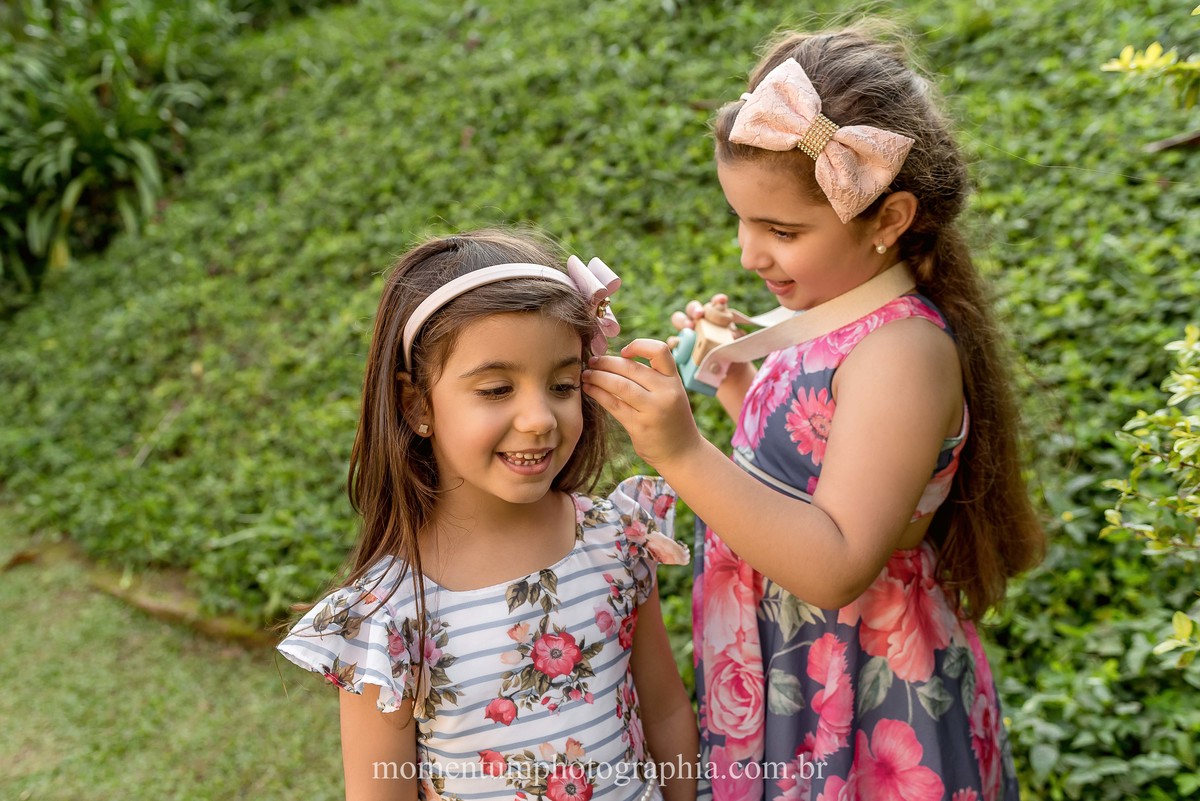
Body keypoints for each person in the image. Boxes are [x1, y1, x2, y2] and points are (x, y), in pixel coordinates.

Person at [582, 21, 1044, 801]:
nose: (749, 253)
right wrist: (739, 382)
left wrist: (683, 452)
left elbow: (834, 565)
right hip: (794, 669)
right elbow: (814, 467)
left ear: (888, 220)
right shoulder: (839, 312)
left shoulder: (903, 353)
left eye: (782, 230)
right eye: (742, 219)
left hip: (865, 696)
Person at [278, 229, 698, 801]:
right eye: (498, 389)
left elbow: (665, 710)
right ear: (416, 404)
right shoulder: (390, 616)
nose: (539, 418)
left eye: (562, 385)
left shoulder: (617, 539)